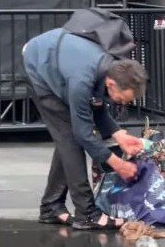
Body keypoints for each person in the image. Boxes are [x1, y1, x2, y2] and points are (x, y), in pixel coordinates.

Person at [22, 27, 147, 230]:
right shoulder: (82, 80)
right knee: (71, 138)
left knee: (67, 140)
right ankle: (87, 213)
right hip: (38, 66)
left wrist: (118, 135)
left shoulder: (109, 67)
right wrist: (118, 164)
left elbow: (96, 104)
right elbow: (83, 134)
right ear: (111, 83)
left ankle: (51, 207)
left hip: (60, 58)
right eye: (123, 100)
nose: (123, 105)